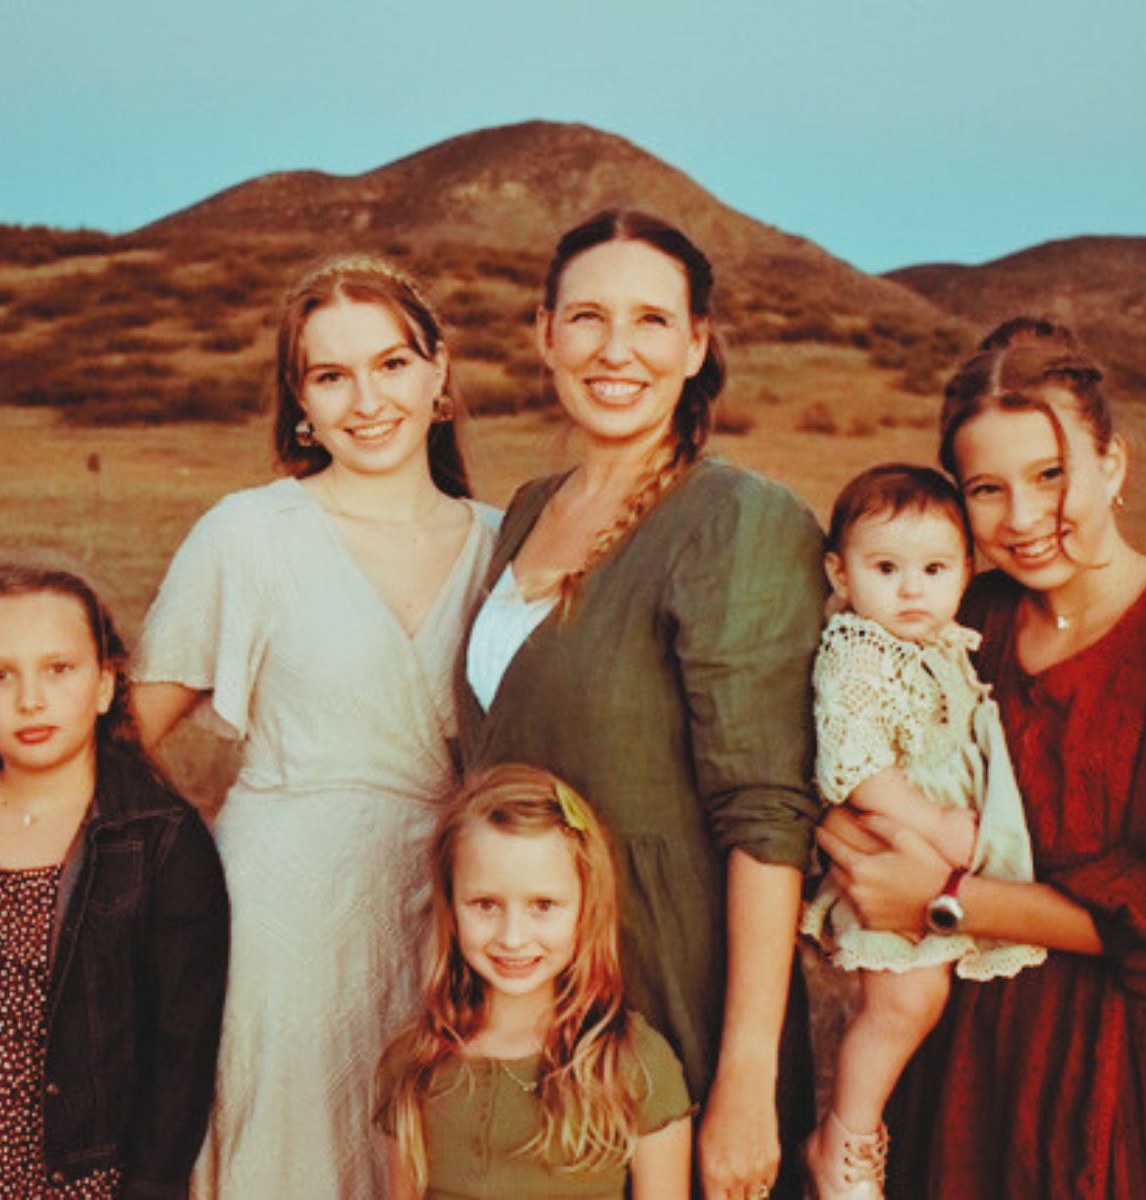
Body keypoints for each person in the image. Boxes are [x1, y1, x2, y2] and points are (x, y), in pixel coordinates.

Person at [458, 210, 825, 1198]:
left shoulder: (736, 519)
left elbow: (767, 817)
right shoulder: (533, 507)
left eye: (652, 322)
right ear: (544, 333)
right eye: (586, 317)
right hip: (529, 991)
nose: (616, 350)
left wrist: (746, 1077)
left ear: (697, 343)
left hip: (672, 995)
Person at [130, 256, 498, 1198]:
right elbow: (132, 734)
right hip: (279, 913)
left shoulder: (506, 543)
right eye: (331, 376)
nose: (366, 400)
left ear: (440, 373)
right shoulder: (249, 534)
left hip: (455, 919)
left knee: (424, 1157)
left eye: (391, 364)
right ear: (300, 399)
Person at [818, 317, 1146, 1197]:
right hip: (960, 1063)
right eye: (988, 490)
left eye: (1051, 475)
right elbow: (842, 739)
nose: (1026, 516)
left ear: (1112, 463)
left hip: (1118, 1077)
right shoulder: (961, 621)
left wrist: (948, 901)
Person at [799, 464, 1046, 1198]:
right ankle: (845, 1139)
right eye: (886, 568)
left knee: (916, 1002)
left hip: (927, 851)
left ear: (966, 571)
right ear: (840, 573)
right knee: (905, 1002)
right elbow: (854, 765)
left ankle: (858, 1128)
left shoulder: (941, 643)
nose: (912, 589)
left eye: (934, 569)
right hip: (890, 844)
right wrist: (936, 822)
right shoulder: (859, 652)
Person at [0, 562, 229, 1199]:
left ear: (105, 684)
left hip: (74, 1169)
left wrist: (152, 1185)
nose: (30, 700)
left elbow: (181, 1048)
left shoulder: (159, 839)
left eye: (59, 669)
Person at [377, 763, 693, 1197]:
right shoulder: (412, 1065)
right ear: (450, 904)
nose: (512, 937)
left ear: (586, 906)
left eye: (543, 905)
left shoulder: (634, 1066)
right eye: (486, 904)